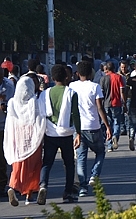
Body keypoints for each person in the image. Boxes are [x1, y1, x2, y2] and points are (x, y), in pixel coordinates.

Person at [39, 64, 81, 204]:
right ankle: (68, 192)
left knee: (47, 163)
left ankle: (43, 185)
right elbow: (75, 115)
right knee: (69, 164)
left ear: (52, 78)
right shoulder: (71, 93)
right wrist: (78, 133)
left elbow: (41, 113)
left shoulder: (46, 93)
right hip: (66, 134)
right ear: (66, 77)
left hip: (50, 133)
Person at [72, 61, 112, 197]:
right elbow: (100, 108)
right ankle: (94, 176)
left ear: (77, 73)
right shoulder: (95, 87)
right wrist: (107, 126)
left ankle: (83, 187)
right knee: (100, 152)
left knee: (81, 157)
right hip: (93, 126)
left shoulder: (72, 86)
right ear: (91, 73)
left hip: (78, 128)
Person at [4, 77, 45, 206]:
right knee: (33, 167)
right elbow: (40, 120)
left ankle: (12, 187)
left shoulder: (12, 103)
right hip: (33, 141)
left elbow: (9, 124)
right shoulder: (35, 102)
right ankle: (29, 195)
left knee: (17, 167)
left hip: (18, 141)